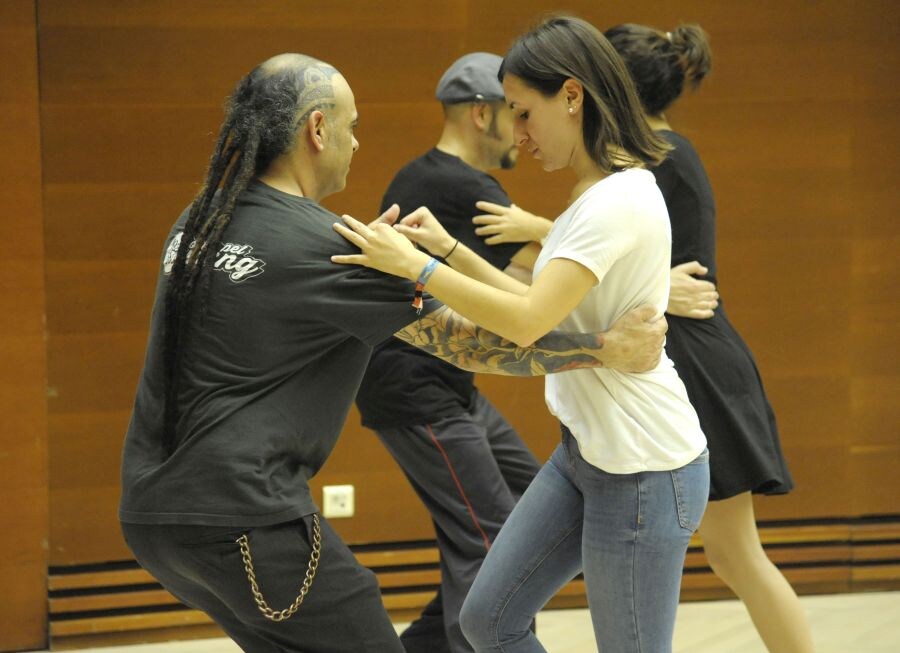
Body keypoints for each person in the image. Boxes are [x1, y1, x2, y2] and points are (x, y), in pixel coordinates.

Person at [117, 53, 667, 652]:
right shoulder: (324, 245)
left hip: (154, 520)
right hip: (246, 518)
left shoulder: (196, 222)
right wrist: (605, 349)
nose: (356, 144)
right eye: (352, 127)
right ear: (317, 129)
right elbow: (477, 344)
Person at [332, 16, 710, 653]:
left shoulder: (615, 200)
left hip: (646, 468)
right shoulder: (592, 191)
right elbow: (539, 304)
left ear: (572, 96)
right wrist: (450, 250)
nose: (521, 134)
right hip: (587, 453)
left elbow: (529, 324)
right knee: (487, 620)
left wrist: (418, 268)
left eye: (525, 113)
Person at [472, 21, 814, 653]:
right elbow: (601, 265)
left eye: (525, 111)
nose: (520, 131)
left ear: (591, 90)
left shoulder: (653, 165)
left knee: (739, 556)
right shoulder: (614, 179)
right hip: (641, 378)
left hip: (689, 367)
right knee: (734, 557)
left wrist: (445, 262)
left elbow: (631, 258)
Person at [355, 52, 542, 653]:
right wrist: (553, 233)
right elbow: (535, 298)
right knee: (491, 539)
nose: (523, 132)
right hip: (418, 389)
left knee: (529, 503)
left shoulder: (426, 177)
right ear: (482, 115)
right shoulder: (467, 189)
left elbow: (514, 287)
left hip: (446, 383)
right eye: (515, 115)